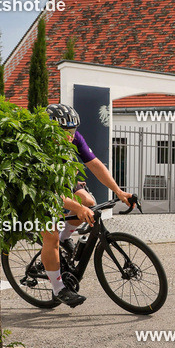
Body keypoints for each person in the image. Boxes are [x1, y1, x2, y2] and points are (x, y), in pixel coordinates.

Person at [43, 104, 132, 308]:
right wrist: (77, 209)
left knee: (89, 202)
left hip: (61, 179)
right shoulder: (41, 146)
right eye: (64, 132)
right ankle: (59, 290)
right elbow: (49, 194)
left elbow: (95, 165)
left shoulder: (75, 138)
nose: (69, 136)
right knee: (51, 235)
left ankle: (66, 238)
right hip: (40, 189)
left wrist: (118, 191)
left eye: (72, 131)